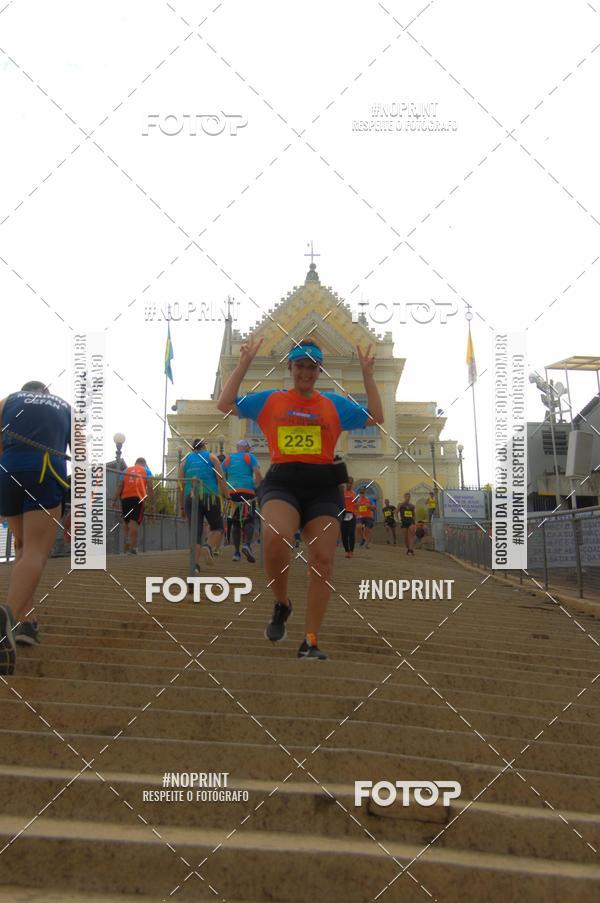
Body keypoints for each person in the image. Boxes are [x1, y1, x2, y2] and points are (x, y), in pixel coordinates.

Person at [217, 336, 383, 660]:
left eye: (312, 367)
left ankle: (310, 641)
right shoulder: (271, 400)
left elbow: (376, 416)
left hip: (323, 487)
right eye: (300, 366)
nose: (306, 372)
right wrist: (243, 364)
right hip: (284, 482)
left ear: (320, 370)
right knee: (275, 537)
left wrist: (368, 376)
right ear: (290, 367)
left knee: (322, 559)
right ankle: (282, 603)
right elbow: (225, 404)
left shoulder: (334, 404)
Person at [0, 382, 71, 672]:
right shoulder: (65, 407)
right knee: (36, 552)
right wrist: (77, 508)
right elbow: (81, 459)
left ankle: (26, 622)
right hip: (45, 469)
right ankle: (7, 617)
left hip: (9, 469)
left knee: (22, 546)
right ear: (47, 393)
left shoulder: (7, 401)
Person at [179, 439, 227, 570]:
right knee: (218, 527)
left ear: (192, 448)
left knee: (195, 533)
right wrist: (227, 495)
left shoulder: (184, 462)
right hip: (210, 495)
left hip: (190, 497)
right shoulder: (212, 457)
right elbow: (221, 478)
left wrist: (181, 507)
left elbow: (180, 486)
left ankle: (194, 565)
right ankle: (208, 546)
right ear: (204, 446)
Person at [223, 438, 262, 562]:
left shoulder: (228, 459)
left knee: (235, 522)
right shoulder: (250, 457)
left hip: (232, 493)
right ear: (246, 447)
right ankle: (247, 545)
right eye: (249, 448)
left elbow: (221, 476)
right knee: (249, 520)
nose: (250, 450)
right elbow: (258, 474)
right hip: (247, 491)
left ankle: (236, 553)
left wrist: (225, 490)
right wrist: (257, 486)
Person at [112, 457, 155, 554]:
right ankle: (133, 547)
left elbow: (120, 486)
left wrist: (114, 500)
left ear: (135, 463)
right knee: (134, 522)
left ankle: (127, 541)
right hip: (138, 498)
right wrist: (152, 503)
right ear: (144, 464)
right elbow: (150, 486)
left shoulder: (126, 470)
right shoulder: (146, 471)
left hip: (125, 498)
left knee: (126, 521)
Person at [341, 476, 357, 558]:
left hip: (351, 514)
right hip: (343, 514)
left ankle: (351, 551)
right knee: (344, 534)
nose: (349, 484)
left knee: (351, 533)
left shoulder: (354, 494)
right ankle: (347, 551)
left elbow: (356, 505)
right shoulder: (342, 493)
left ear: (352, 484)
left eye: (351, 483)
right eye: (348, 483)